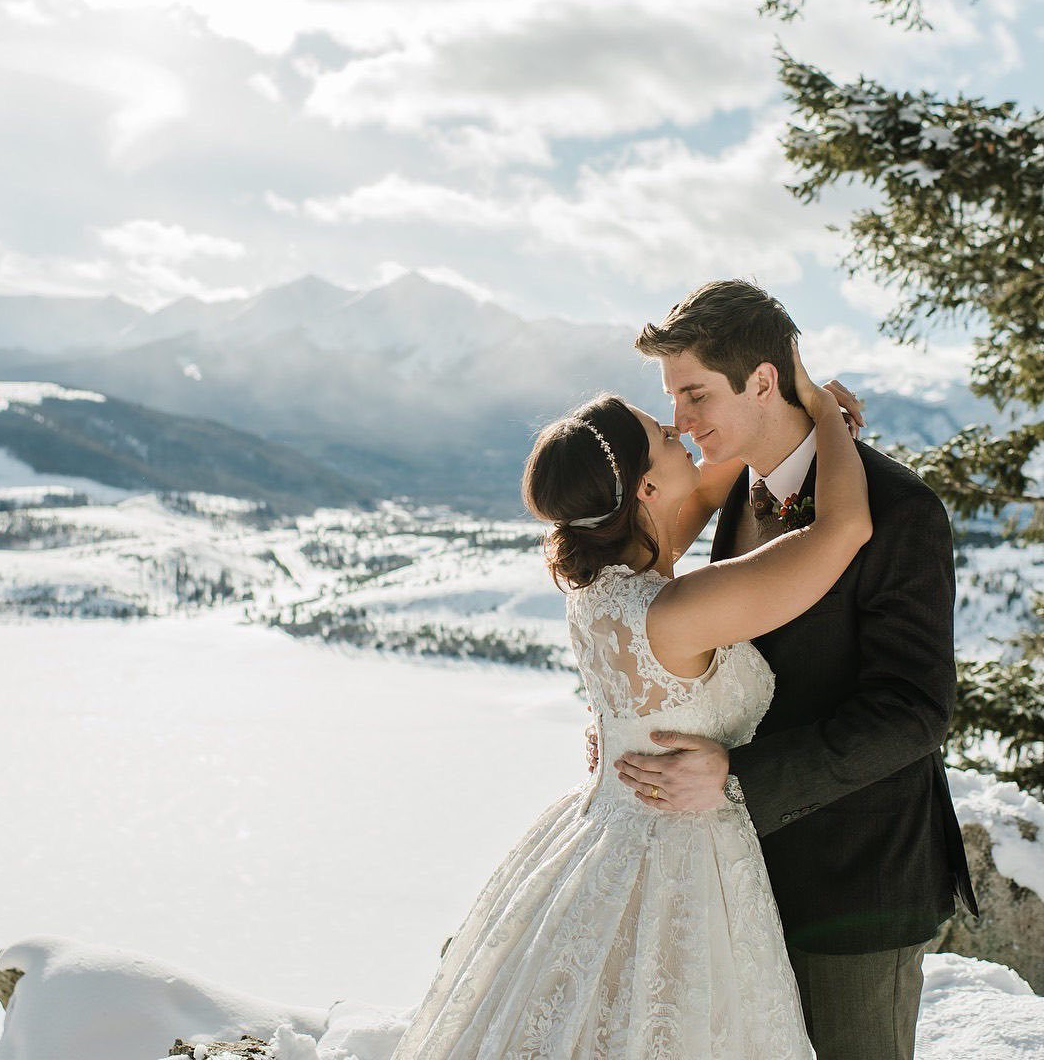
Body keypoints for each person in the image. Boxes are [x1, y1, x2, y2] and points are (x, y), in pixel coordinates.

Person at [391, 342, 868, 1058]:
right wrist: (827, 418)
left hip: (608, 830)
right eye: (668, 440)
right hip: (681, 857)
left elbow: (706, 488)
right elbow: (844, 531)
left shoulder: (601, 578)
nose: (686, 437)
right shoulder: (677, 610)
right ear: (645, 490)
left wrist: (776, 420)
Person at [588, 279, 977, 1060]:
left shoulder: (900, 512)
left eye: (694, 394)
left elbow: (913, 711)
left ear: (763, 380)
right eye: (672, 399)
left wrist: (735, 780)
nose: (681, 421)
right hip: (745, 871)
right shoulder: (739, 489)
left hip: (855, 882)